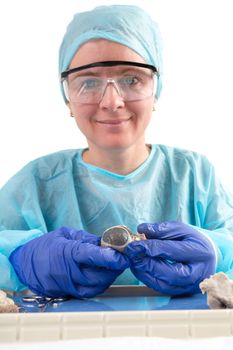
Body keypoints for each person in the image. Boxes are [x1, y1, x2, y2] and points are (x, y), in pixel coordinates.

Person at [1, 4, 233, 299]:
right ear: (67, 98)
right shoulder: (36, 184)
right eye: (88, 82)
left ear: (156, 88)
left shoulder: (195, 175)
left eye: (131, 79)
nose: (112, 101)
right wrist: (21, 260)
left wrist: (217, 253)